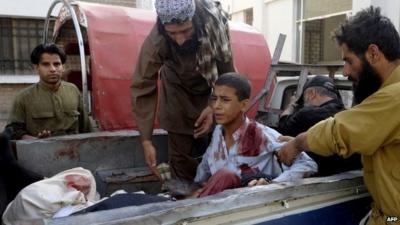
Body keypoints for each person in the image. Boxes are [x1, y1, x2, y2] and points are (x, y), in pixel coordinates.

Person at [277, 7, 400, 225]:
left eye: (349, 61)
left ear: (373, 53)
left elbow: (339, 131)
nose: (344, 72)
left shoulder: (395, 96)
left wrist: (297, 144)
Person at [131, 0, 235, 181]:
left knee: (218, 147)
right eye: (172, 33)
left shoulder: (213, 27)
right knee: (181, 158)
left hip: (210, 87)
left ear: (195, 21)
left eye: (186, 31)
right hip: (176, 92)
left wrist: (213, 106)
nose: (179, 39)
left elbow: (228, 75)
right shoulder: (157, 40)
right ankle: (184, 194)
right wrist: (146, 140)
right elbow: (142, 86)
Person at [194, 73, 317, 197]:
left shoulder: (260, 133)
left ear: (244, 105)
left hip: (251, 206)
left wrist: (273, 184)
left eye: (225, 100)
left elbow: (307, 164)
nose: (216, 106)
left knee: (226, 175)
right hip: (214, 207)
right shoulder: (217, 133)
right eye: (214, 99)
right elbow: (205, 166)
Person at [277, 75, 361, 176]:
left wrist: (291, 105)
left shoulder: (306, 114)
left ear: (312, 94)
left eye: (304, 98)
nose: (304, 103)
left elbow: (282, 128)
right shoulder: (350, 116)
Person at [5, 43, 91, 140]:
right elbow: (12, 131)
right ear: (37, 68)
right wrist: (36, 140)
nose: (53, 69)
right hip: (41, 153)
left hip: (73, 151)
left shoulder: (73, 90)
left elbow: (86, 127)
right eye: (46, 64)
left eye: (57, 64)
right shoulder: (24, 98)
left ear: (63, 67)